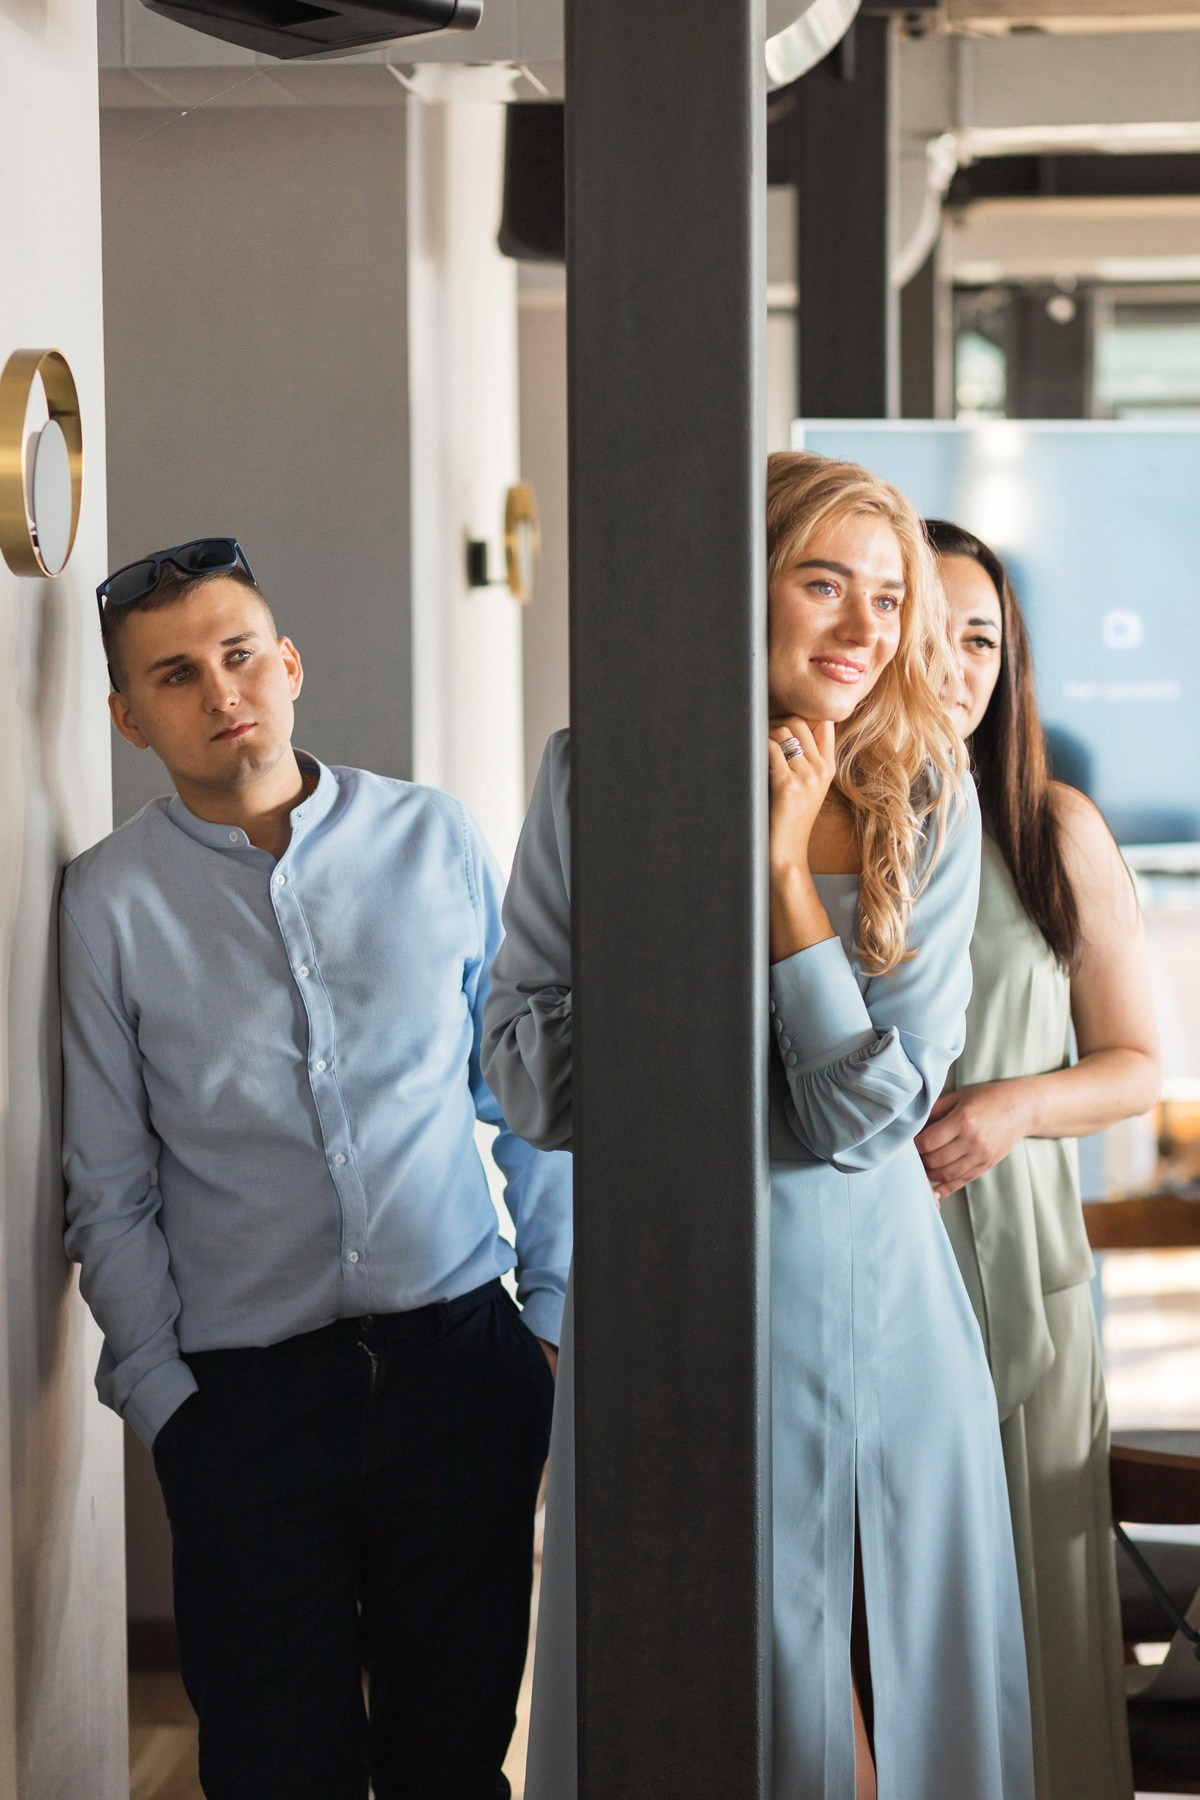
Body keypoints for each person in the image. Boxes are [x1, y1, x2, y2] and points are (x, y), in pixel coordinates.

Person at [483, 456, 1036, 1800]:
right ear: (745, 591)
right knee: (669, 1706)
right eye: (823, 583)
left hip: (869, 1313)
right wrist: (692, 884)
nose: (864, 628)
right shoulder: (590, 774)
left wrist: (786, 877)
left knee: (876, 1708)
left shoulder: (930, 798)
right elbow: (531, 1082)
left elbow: (859, 1118)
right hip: (660, 1298)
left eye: (889, 597)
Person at [61, 539, 571, 1800]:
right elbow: (108, 1178)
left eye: (240, 655)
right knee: (272, 1769)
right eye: (175, 674)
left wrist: (548, 1322)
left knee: (452, 1761)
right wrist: (168, 1400)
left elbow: (517, 1093)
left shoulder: (432, 836)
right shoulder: (106, 903)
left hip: (463, 1371)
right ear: (129, 718)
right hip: (244, 1408)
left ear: (287, 665)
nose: (220, 689)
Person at [917, 520, 1161, 1800]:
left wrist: (1013, 1107)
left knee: (1041, 1623)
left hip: (1029, 1288)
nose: (957, 664)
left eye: (983, 638)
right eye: (933, 629)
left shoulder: (1053, 827)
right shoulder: (802, 828)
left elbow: (1135, 1063)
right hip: (866, 1281)